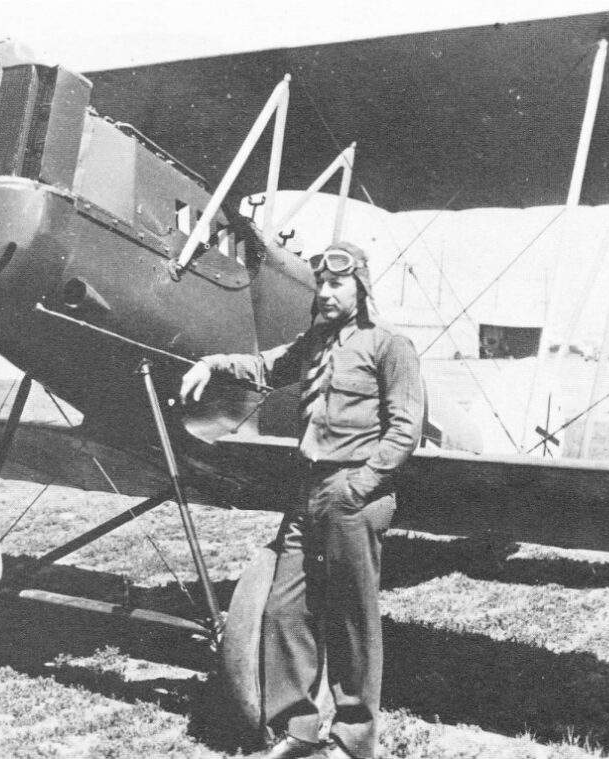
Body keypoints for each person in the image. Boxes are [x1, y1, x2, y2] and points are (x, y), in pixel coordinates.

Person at [179, 242, 424, 759]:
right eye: (322, 285)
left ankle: (354, 739)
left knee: (351, 617)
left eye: (338, 283)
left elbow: (406, 430)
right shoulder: (313, 343)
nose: (327, 293)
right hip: (306, 490)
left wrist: (359, 486)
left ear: (360, 286)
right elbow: (267, 367)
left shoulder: (390, 346)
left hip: (354, 493)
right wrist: (212, 364)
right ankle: (298, 728)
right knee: (285, 609)